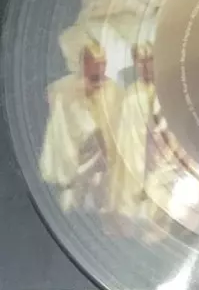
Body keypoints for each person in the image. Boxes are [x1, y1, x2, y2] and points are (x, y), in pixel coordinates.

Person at [39, 39, 124, 212]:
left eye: (102, 63)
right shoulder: (69, 85)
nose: (99, 68)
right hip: (78, 151)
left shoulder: (112, 88)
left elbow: (119, 116)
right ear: (84, 63)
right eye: (94, 63)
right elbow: (49, 95)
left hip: (105, 152)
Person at [110, 43, 159, 219]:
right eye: (141, 61)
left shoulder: (166, 91)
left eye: (150, 60)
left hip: (161, 160)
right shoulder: (130, 96)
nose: (146, 66)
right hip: (136, 161)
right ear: (135, 62)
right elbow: (124, 139)